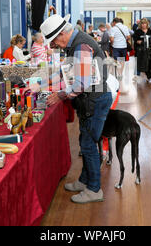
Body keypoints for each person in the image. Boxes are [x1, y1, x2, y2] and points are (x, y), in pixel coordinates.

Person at [40, 14, 112, 204]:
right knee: (85, 140)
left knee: (88, 144)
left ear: (62, 34)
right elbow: (66, 71)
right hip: (92, 99)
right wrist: (44, 81)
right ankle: (85, 181)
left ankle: (94, 190)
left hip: (95, 100)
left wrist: (60, 95)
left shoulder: (81, 47)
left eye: (54, 41)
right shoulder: (76, 44)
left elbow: (81, 84)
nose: (55, 45)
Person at [132, 18, 151, 83]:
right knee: (138, 62)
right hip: (139, 50)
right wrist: (137, 41)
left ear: (147, 24)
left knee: (148, 63)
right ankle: (136, 76)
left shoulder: (150, 30)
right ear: (141, 24)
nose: (144, 25)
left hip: (148, 49)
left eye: (145, 23)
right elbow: (134, 39)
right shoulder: (138, 31)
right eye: (142, 24)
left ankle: (149, 77)